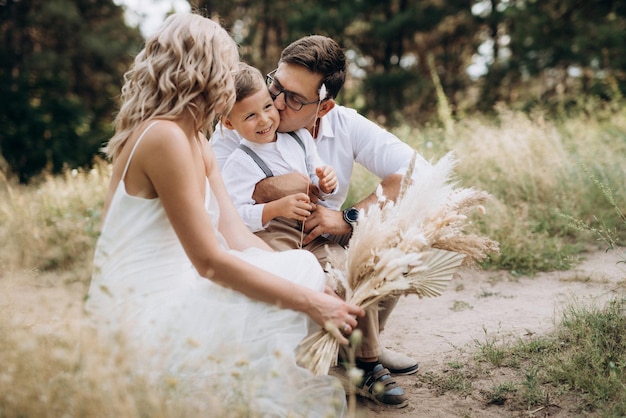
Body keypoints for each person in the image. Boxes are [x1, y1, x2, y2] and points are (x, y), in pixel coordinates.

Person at [83, 14, 364, 417]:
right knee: (297, 281)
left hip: (184, 282)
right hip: (146, 310)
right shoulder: (163, 137)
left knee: (302, 265)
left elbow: (235, 235)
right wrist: (310, 303)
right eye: (226, 68)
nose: (232, 79)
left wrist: (319, 288)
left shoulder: (195, 137)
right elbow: (210, 262)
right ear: (203, 72)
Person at [210, 35, 432, 408]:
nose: (276, 104)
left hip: (320, 237)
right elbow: (220, 215)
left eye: (293, 98)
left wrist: (347, 218)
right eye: (275, 85)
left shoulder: (340, 125)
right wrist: (269, 192)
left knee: (389, 239)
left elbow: (417, 174)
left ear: (324, 106)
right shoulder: (241, 125)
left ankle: (359, 352)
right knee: (305, 273)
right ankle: (327, 354)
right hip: (260, 244)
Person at [220, 62, 342, 268]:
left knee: (343, 264)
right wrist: (276, 208)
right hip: (273, 236)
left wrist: (326, 182)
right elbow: (235, 216)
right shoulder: (239, 162)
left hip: (308, 232)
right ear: (230, 123)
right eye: (250, 116)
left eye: (267, 107)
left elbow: (316, 180)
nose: (263, 120)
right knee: (292, 271)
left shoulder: (300, 138)